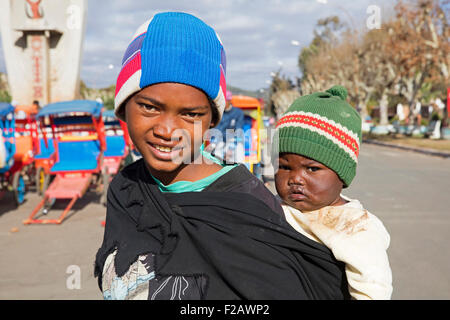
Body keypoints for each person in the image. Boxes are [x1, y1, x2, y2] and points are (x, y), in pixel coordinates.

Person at [94, 12, 350, 300]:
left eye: (190, 114)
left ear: (211, 120)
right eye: (150, 108)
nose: (167, 130)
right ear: (123, 107)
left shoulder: (246, 207)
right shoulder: (126, 188)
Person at [273, 85, 393, 300]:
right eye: (285, 167)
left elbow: (372, 290)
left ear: (342, 176)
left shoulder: (357, 228)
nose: (296, 179)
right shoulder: (271, 207)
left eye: (312, 169)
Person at [212, 90, 245, 163]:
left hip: (234, 140)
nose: (223, 103)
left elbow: (238, 130)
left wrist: (231, 148)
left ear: (229, 101)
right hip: (222, 140)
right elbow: (217, 130)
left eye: (225, 100)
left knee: (238, 150)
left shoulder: (238, 113)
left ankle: (241, 171)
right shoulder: (219, 113)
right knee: (216, 153)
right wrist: (213, 144)